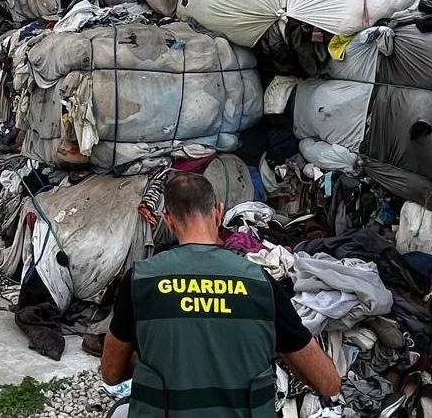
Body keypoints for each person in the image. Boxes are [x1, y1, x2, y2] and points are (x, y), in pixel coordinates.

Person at [100, 172, 341, 417]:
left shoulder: (141, 281)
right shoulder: (260, 284)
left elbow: (111, 373)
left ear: (168, 221)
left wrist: (157, 359)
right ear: (218, 212)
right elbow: (328, 384)